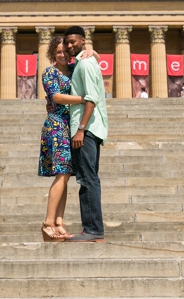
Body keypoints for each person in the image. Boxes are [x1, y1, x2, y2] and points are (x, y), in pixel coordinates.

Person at [38, 35, 88, 242]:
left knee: (65, 175)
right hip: (57, 125)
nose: (62, 54)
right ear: (53, 53)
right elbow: (56, 97)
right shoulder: (50, 72)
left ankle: (59, 222)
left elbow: (91, 59)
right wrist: (84, 99)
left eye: (65, 51)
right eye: (58, 51)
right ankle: (48, 223)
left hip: (71, 125)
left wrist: (91, 52)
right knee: (61, 174)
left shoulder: (75, 70)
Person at [65, 26, 108, 243]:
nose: (70, 45)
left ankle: (93, 230)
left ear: (83, 40)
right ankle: (91, 229)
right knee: (85, 178)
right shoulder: (84, 62)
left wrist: (81, 129)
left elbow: (91, 98)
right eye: (67, 42)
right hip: (87, 128)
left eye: (73, 41)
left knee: (88, 178)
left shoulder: (86, 64)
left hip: (86, 129)